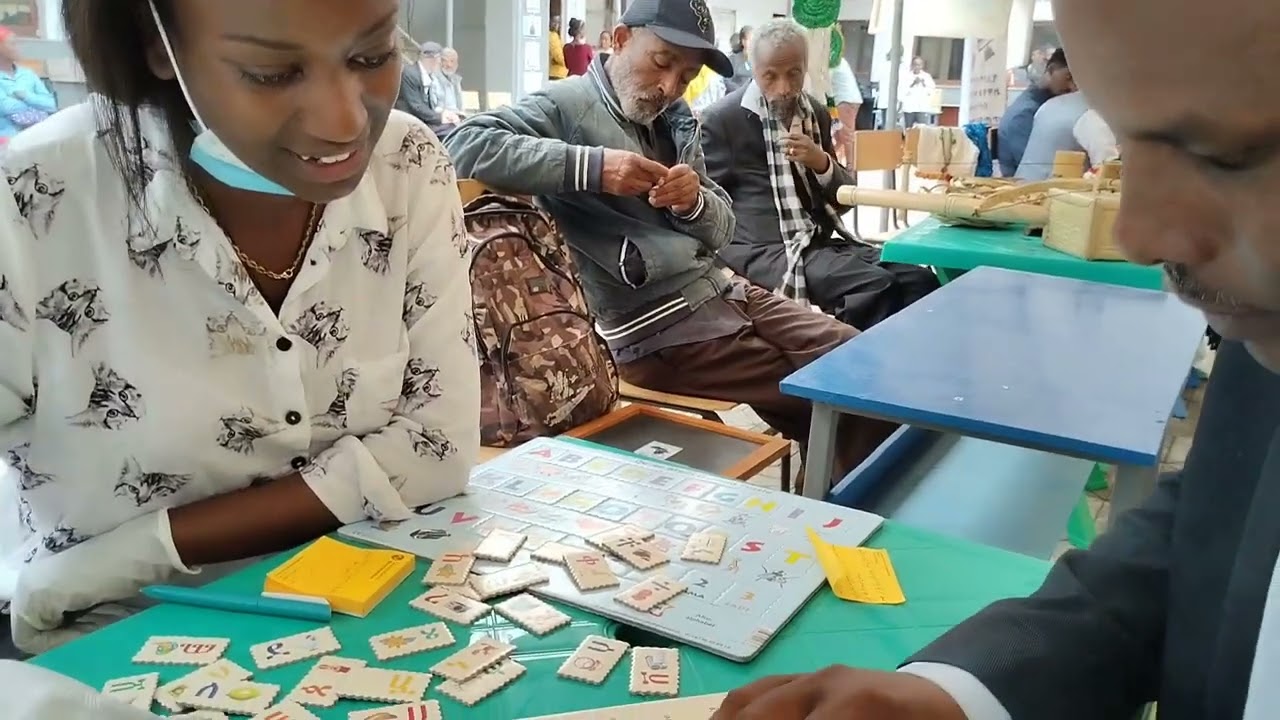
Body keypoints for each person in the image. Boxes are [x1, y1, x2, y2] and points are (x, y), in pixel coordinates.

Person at [712, 0, 1280, 717]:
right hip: (767, 261)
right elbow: (1201, 536)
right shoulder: (1263, 371)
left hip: (812, 246)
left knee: (897, 282)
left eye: (1225, 154)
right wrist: (958, 695)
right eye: (1131, 150)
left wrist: (823, 163)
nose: (1138, 234)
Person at [0, 0, 479, 657]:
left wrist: (119, 557)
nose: (345, 121)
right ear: (159, 46)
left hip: (374, 605)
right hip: (115, 637)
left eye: (371, 56)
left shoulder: (407, 165)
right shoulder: (32, 202)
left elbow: (437, 446)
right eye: (270, 73)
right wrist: (71, 589)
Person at [446, 0, 898, 488]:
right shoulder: (567, 105)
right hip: (657, 335)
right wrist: (595, 168)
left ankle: (831, 503)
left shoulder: (675, 121)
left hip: (725, 295)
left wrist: (693, 203)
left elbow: (724, 229)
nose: (669, 87)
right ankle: (840, 521)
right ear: (619, 40)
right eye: (662, 63)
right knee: (836, 393)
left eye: (685, 76)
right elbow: (462, 145)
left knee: (856, 359)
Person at [701, 20, 938, 331]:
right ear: (753, 68)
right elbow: (707, 203)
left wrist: (821, 163)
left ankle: (906, 361)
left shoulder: (816, 113)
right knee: (872, 286)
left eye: (793, 74)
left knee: (919, 279)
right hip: (761, 249)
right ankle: (855, 370)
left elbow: (843, 200)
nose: (783, 88)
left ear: (805, 67)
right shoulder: (723, 119)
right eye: (770, 76)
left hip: (816, 240)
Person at [997, 47, 1074, 176]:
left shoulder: (1048, 104)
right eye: (1068, 77)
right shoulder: (1025, 113)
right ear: (1051, 69)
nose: (1072, 86)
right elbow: (1034, 166)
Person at [1015, 91, 1120, 181]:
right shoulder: (1092, 116)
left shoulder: (1050, 104)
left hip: (1018, 189)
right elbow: (1109, 169)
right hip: (1051, 197)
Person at [0, 26, 57, 142]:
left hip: (36, 137)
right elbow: (7, 107)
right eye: (13, 44)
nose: (18, 48)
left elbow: (51, 104)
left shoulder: (28, 74)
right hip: (7, 140)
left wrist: (26, 96)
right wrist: (38, 109)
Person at [395, 41, 460, 137]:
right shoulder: (410, 74)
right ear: (433, 59)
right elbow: (416, 106)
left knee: (454, 128)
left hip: (420, 121)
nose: (440, 64)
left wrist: (443, 115)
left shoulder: (426, 75)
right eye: (440, 60)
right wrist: (440, 117)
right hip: (410, 123)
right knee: (451, 132)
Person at [899, 56, 936, 128]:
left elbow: (931, 91)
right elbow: (901, 92)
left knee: (923, 129)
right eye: (915, 64)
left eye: (919, 65)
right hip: (909, 108)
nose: (917, 67)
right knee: (908, 129)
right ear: (912, 65)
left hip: (922, 108)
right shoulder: (906, 76)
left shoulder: (927, 76)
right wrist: (913, 84)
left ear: (922, 66)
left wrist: (923, 84)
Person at [439, 46, 465, 114]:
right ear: (439, 62)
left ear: (457, 64)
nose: (449, 65)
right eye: (445, 61)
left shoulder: (456, 81)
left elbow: (460, 106)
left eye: (452, 61)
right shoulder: (434, 80)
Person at [726, 24, 752, 92]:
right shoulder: (733, 59)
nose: (753, 42)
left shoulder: (758, 60)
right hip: (736, 96)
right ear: (743, 41)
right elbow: (727, 80)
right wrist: (741, 91)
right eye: (750, 40)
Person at [548, 15, 568, 80]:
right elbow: (558, 56)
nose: (556, 24)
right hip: (557, 73)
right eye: (554, 21)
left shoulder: (554, 35)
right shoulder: (553, 36)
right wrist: (568, 63)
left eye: (559, 22)